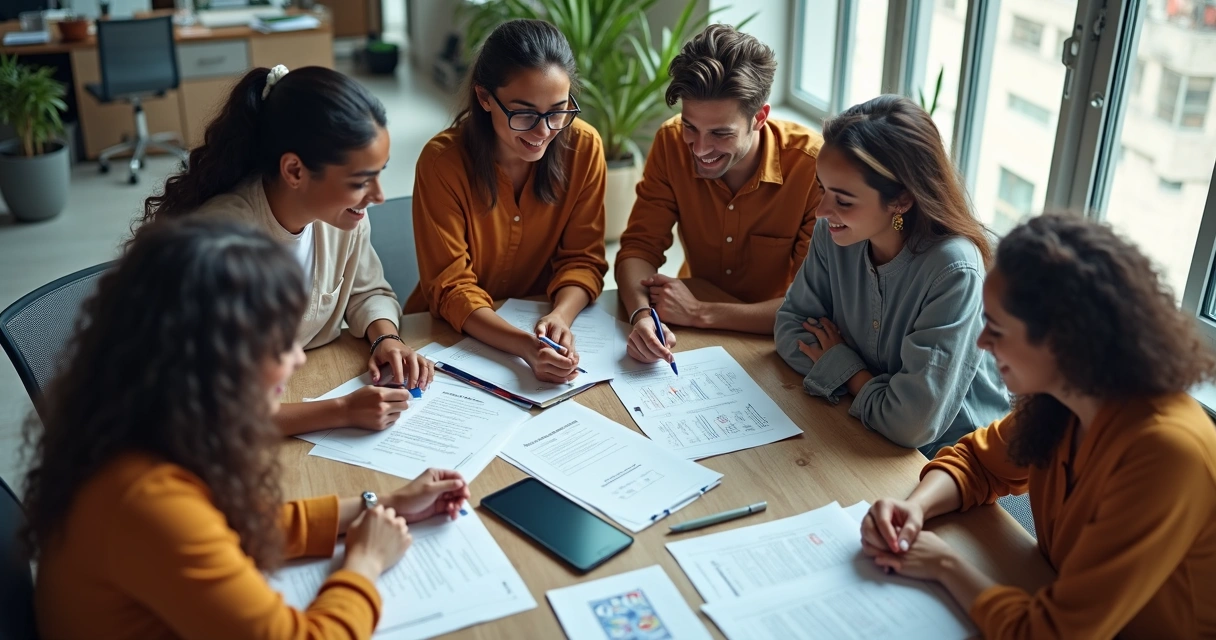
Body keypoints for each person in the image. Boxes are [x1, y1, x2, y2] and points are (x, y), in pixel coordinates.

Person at [25, 218, 472, 640]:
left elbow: (232, 527)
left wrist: (383, 504)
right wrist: (365, 561)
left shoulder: (145, 429)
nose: (297, 359)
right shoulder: (146, 499)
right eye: (278, 343)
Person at [862, 214, 1216, 639]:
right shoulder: (1066, 399)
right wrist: (915, 508)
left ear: (1063, 339)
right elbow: (978, 462)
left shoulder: (1165, 452)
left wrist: (943, 563)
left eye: (996, 327)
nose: (982, 342)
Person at [141, 65, 431, 438]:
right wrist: (342, 410)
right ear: (295, 170)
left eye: (379, 173)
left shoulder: (343, 217)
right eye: (361, 181)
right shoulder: (221, 246)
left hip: (298, 386)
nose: (378, 196)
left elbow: (367, 290)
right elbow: (211, 413)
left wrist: (385, 337)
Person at [773, 95, 1007, 456]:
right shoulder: (835, 233)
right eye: (823, 189)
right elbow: (790, 329)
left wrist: (847, 372)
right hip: (857, 428)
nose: (821, 211)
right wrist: (874, 390)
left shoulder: (953, 270)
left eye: (844, 200)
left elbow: (911, 424)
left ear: (901, 200)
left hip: (950, 460)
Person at [406, 19, 607, 385]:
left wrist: (561, 316)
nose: (544, 131)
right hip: (445, 340)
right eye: (525, 113)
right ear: (485, 98)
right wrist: (525, 347)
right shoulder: (442, 163)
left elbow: (583, 260)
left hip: (538, 326)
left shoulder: (584, 148)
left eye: (558, 110)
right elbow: (452, 288)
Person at [616, 23, 824, 365]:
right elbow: (639, 247)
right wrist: (642, 316)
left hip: (772, 340)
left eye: (720, 133)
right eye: (690, 126)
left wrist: (700, 313)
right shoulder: (670, 142)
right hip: (685, 326)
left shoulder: (813, 167)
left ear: (759, 118)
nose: (699, 148)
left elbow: (808, 308)